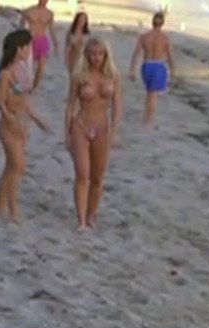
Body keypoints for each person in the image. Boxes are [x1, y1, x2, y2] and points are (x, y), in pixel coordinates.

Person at [65, 36, 122, 232]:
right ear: (87, 54)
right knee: (83, 174)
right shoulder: (80, 75)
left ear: (106, 55)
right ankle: (81, 220)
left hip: (102, 129)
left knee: (97, 177)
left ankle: (91, 216)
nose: (96, 58)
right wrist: (67, 133)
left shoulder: (113, 76)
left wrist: (114, 133)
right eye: (92, 54)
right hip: (81, 126)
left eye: (100, 54)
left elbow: (117, 107)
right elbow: (70, 105)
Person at [0, 29, 49, 223]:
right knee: (18, 165)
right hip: (9, 125)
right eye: (27, 47)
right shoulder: (6, 74)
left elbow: (24, 101)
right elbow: (0, 102)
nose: (29, 51)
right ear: (19, 49)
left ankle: (0, 207)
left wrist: (37, 119)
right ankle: (13, 209)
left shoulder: (23, 71)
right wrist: (9, 117)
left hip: (22, 121)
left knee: (11, 168)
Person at [129, 11, 175, 126]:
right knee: (153, 95)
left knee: (149, 92)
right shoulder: (165, 38)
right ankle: (149, 120)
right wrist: (172, 72)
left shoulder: (144, 37)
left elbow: (136, 54)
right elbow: (170, 57)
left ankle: (146, 116)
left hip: (146, 65)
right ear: (163, 23)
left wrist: (132, 70)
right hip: (158, 66)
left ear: (152, 22)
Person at [20, 0, 59, 91]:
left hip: (42, 40)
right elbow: (21, 26)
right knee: (29, 65)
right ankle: (27, 84)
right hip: (30, 40)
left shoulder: (49, 13)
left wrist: (55, 43)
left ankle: (35, 86)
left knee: (41, 66)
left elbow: (52, 29)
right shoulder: (29, 11)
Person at [65, 11, 90, 75]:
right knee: (73, 75)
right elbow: (67, 47)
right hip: (73, 57)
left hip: (84, 58)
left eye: (84, 19)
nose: (82, 21)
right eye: (80, 19)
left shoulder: (87, 34)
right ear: (77, 19)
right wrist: (66, 59)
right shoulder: (70, 33)